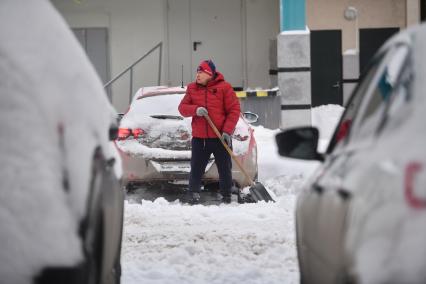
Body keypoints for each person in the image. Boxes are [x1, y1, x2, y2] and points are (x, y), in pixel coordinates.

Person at [178, 60, 241, 204]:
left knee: (225, 168)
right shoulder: (192, 88)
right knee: (196, 167)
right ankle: (193, 193)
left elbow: (234, 110)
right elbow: (182, 108)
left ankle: (226, 195)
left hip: (220, 137)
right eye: (197, 72)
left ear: (210, 74)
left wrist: (227, 131)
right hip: (200, 138)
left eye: (201, 72)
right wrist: (196, 110)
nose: (198, 75)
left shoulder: (224, 88)